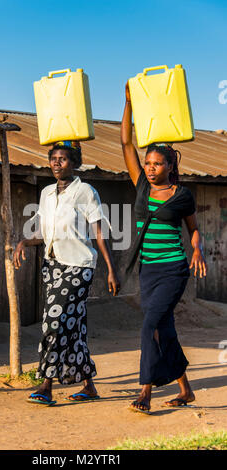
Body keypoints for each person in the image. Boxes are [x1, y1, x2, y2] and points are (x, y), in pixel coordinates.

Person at [121, 82, 207, 414]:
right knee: (163, 328)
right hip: (148, 269)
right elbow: (126, 141)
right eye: (147, 163)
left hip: (173, 268)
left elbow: (194, 230)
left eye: (156, 164)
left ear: (169, 166)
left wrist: (197, 249)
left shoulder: (183, 195)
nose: (149, 168)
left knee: (149, 325)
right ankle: (186, 390)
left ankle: (145, 392)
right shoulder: (141, 185)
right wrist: (128, 103)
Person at [14, 140, 120, 405]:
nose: (57, 163)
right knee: (73, 326)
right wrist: (25, 242)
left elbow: (98, 233)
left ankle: (46, 384)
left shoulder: (85, 191)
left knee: (54, 321)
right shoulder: (47, 193)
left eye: (63, 159)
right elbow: (46, 233)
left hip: (79, 266)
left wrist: (110, 269)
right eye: (53, 159)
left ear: (74, 163)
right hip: (53, 266)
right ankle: (89, 386)